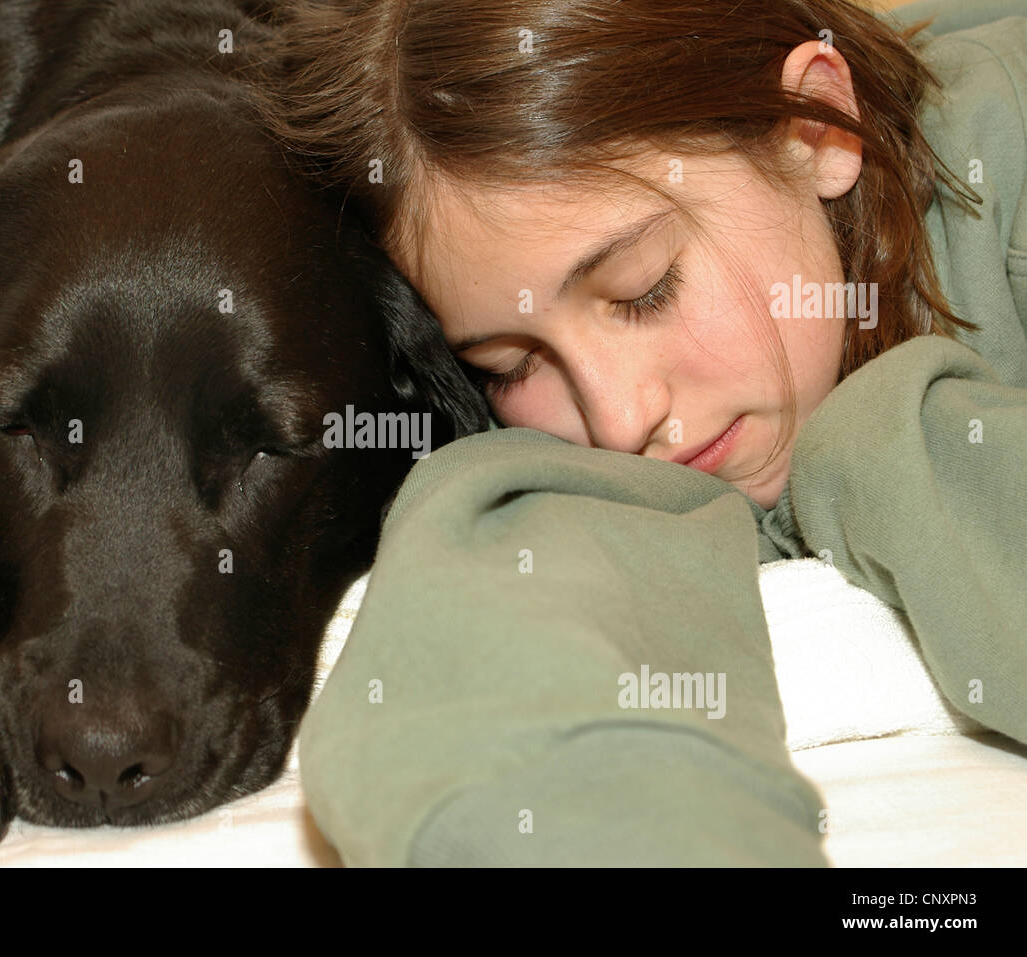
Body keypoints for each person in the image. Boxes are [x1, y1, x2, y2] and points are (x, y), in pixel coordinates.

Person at [252, 0, 1027, 865]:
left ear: (820, 130)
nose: (619, 419)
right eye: (511, 363)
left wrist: (892, 450)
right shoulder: (584, 448)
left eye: (644, 289)